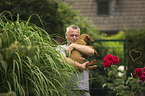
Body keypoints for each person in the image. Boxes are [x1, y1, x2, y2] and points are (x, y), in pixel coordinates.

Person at [57, 25, 97, 96]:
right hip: (67, 89)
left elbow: (91, 52)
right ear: (66, 35)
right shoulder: (60, 48)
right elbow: (62, 60)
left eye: (77, 36)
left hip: (83, 90)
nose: (74, 38)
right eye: (71, 35)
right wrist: (80, 66)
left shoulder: (83, 47)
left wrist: (73, 46)